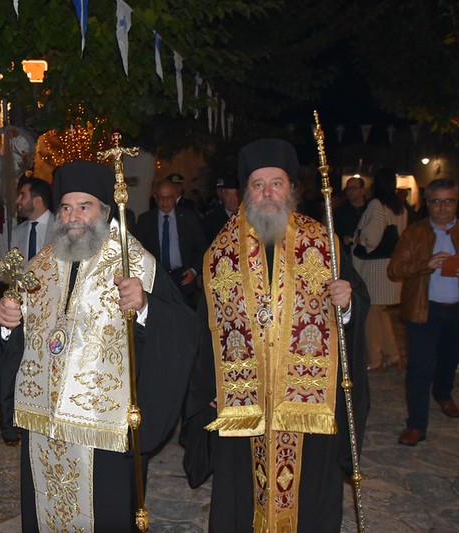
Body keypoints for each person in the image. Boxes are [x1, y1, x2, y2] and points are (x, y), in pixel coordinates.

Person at [0, 160, 198, 532]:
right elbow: (20, 337)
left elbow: (183, 327)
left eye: (84, 207)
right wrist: (8, 324)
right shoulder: (38, 267)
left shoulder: (135, 262)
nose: (74, 217)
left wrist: (146, 306)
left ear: (104, 212)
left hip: (104, 428)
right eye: (66, 207)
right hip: (44, 424)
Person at [182, 138, 370, 533]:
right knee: (242, 498)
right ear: (245, 192)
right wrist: (210, 387)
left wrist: (347, 303)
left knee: (309, 499)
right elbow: (205, 330)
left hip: (307, 406)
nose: (267, 192)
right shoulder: (219, 254)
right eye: (258, 184)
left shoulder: (323, 242)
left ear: (291, 189)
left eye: (276, 183)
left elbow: (355, 307)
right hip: (244, 405)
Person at [389, 178, 459, 446]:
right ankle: (416, 424)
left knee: (450, 359)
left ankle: (443, 393)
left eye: (448, 201)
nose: (442, 207)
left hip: (458, 311)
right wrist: (425, 264)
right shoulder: (414, 233)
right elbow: (394, 270)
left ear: (456, 202)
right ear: (427, 203)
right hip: (422, 311)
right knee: (419, 367)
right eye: (436, 202)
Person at [352, 167, 408, 371]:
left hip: (374, 269)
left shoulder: (377, 205)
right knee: (381, 314)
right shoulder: (400, 207)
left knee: (371, 314)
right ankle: (393, 354)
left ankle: (375, 358)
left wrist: (357, 239)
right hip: (389, 265)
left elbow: (371, 238)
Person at [135, 180, 208, 308]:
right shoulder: (145, 220)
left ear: (175, 197)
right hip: (157, 277)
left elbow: (202, 247)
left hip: (183, 276)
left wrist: (194, 270)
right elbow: (138, 252)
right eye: (161, 198)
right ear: (155, 198)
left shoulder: (189, 217)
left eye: (169, 197)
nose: (165, 201)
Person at [10, 177, 54, 264]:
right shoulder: (17, 232)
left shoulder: (61, 228)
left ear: (37, 200)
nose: (17, 201)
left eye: (23, 195)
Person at [202, 176, 240, 242]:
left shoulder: (249, 215)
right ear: (223, 195)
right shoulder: (211, 220)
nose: (232, 199)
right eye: (228, 195)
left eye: (235, 195)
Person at [334, 176, 368, 247]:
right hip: (349, 248)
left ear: (362, 190)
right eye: (348, 188)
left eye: (354, 188)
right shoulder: (340, 211)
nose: (350, 191)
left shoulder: (371, 207)